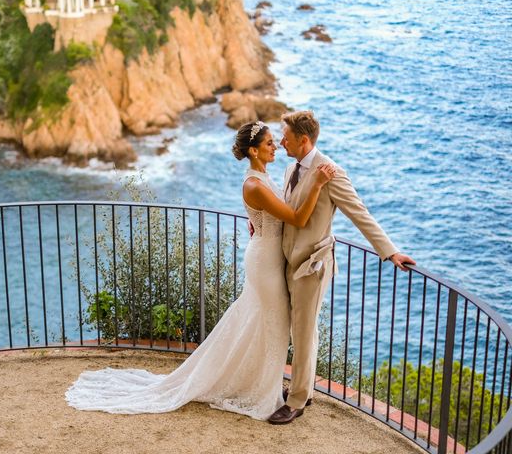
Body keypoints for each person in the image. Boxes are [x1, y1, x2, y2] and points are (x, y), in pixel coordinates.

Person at [65, 121, 335, 421]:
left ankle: (262, 383)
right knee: (274, 323)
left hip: (270, 256)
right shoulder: (254, 185)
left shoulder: (264, 178)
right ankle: (263, 390)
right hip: (265, 264)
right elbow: (296, 218)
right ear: (253, 150)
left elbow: (276, 214)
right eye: (270, 143)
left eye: (275, 141)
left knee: (266, 323)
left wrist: (259, 222)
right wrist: (318, 184)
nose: (276, 147)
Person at [267, 110, 416, 425]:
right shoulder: (290, 169)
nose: (281, 143)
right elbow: (290, 211)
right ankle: (303, 388)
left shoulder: (331, 173)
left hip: (312, 265)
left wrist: (391, 252)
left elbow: (359, 213)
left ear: (304, 140)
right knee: (300, 329)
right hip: (287, 261)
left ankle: (296, 401)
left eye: (286, 137)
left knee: (304, 331)